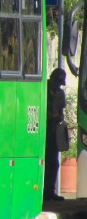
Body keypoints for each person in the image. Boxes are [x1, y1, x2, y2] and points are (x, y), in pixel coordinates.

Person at [44, 67, 67, 201]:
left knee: (53, 163)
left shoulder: (60, 94)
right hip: (42, 129)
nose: (57, 86)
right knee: (44, 161)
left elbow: (61, 112)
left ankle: (49, 191)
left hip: (53, 131)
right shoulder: (43, 89)